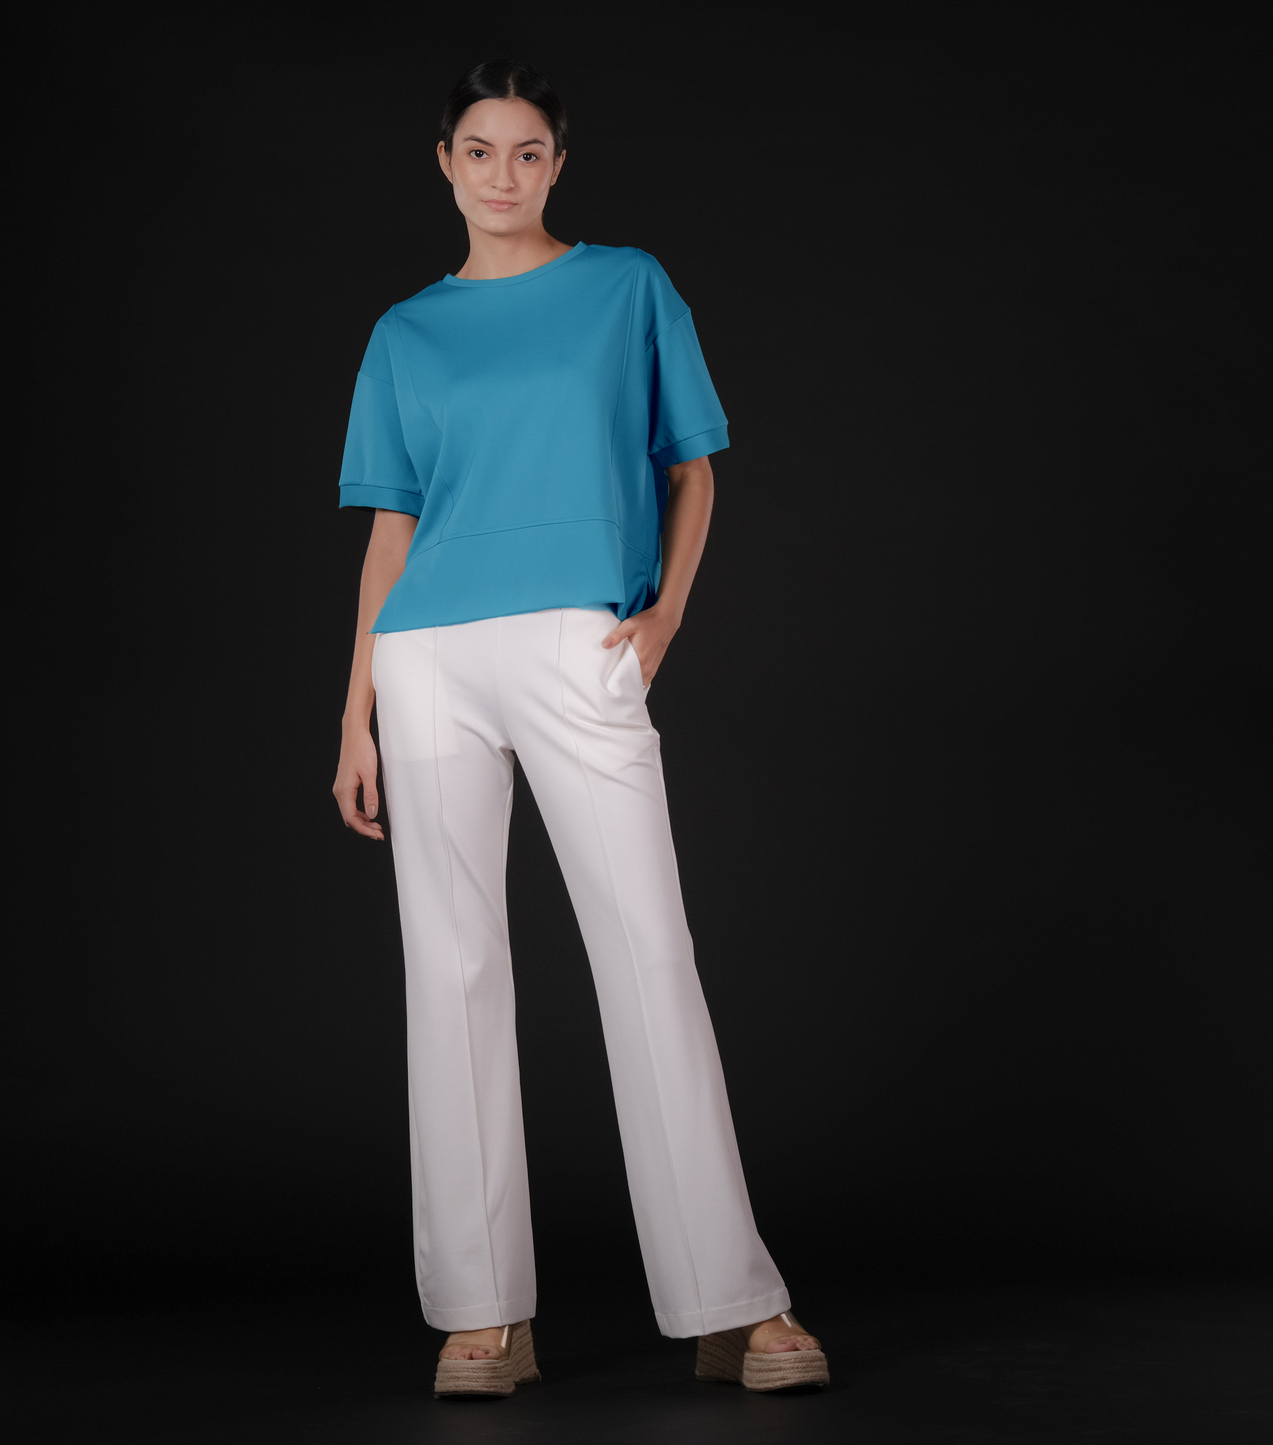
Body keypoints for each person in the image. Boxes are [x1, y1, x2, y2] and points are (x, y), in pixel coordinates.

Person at [331, 59, 827, 1398]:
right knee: (451, 970)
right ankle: (482, 1315)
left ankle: (735, 1302)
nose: (503, 174)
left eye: (528, 152)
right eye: (479, 150)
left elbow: (692, 469)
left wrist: (661, 621)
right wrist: (356, 712)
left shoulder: (627, 288)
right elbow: (391, 531)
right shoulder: (405, 333)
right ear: (445, 162)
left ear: (558, 164)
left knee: (647, 951)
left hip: (579, 643)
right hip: (428, 657)